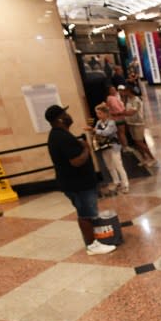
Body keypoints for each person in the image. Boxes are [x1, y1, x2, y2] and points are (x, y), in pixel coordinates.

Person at [45, 104, 116, 256]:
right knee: (85, 214)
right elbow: (76, 161)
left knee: (86, 212)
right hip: (78, 184)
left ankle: (93, 241)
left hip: (76, 183)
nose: (68, 116)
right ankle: (92, 245)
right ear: (60, 119)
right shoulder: (61, 137)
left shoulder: (59, 135)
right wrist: (86, 149)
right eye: (65, 114)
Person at [90, 103, 129, 194]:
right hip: (104, 146)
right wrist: (94, 132)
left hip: (113, 146)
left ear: (105, 113)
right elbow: (96, 133)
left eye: (99, 113)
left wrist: (95, 131)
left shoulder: (111, 122)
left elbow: (106, 132)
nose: (98, 115)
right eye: (97, 113)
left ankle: (125, 184)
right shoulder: (98, 123)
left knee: (118, 165)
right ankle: (116, 181)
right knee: (109, 166)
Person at [122, 85, 154, 165]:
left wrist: (120, 113)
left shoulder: (137, 100)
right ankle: (144, 158)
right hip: (131, 123)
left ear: (129, 91)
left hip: (138, 123)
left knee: (139, 142)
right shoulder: (128, 99)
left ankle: (152, 158)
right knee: (136, 142)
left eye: (125, 91)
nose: (124, 93)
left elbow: (133, 112)